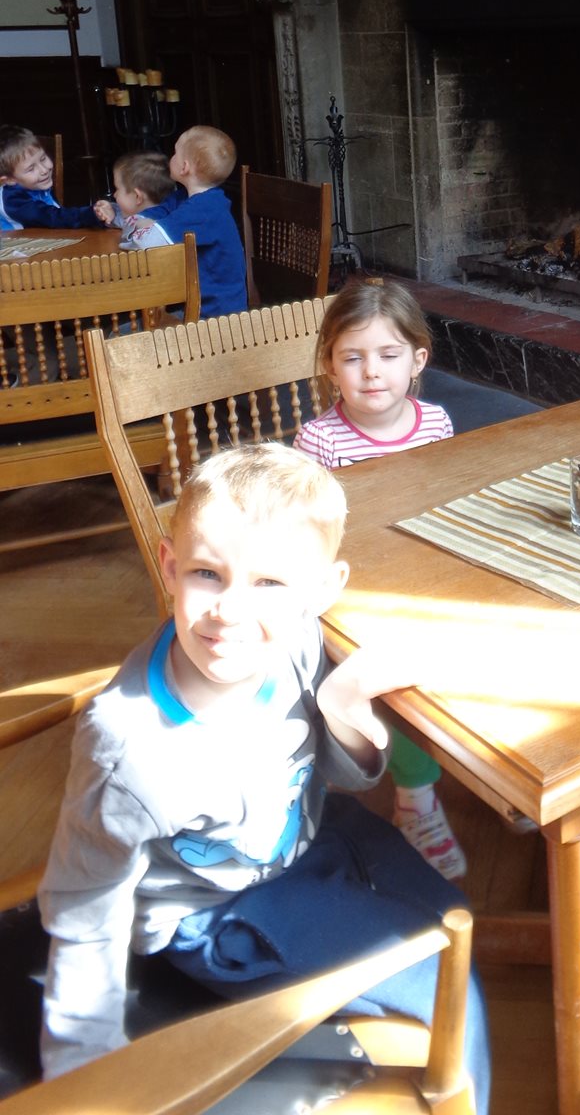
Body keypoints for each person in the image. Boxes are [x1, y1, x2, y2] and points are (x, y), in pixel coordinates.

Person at [37, 442, 489, 1110]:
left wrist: (341, 706)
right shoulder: (130, 748)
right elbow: (85, 907)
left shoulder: (298, 640)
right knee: (449, 980)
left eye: (269, 584)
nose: (230, 611)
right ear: (170, 566)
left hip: (312, 841)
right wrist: (84, 1080)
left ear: (322, 591)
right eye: (207, 574)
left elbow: (343, 776)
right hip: (214, 912)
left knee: (456, 918)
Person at [294, 279, 466, 880]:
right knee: (388, 678)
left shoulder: (435, 421)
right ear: (330, 365)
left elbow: (445, 504)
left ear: (417, 361)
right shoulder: (319, 440)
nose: (371, 372)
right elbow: (311, 534)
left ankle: (496, 770)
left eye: (388, 355)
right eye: (353, 357)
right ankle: (416, 797)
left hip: (427, 575)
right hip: (357, 592)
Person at [142, 125, 247, 316]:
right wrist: (139, 221)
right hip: (205, 308)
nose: (171, 157)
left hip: (216, 318)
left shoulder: (202, 209)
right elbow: (156, 212)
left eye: (175, 153)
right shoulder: (192, 198)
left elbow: (146, 243)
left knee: (126, 331)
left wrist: (140, 226)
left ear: (184, 167)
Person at [0, 125, 109, 230]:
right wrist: (92, 214)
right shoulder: (12, 200)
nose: (44, 170)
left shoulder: (35, 185)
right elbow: (51, 217)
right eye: (31, 169)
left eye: (43, 158)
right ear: (9, 180)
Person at [108, 150, 175, 249]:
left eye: (117, 189)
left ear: (137, 196)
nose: (114, 195)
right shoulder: (172, 215)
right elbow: (122, 219)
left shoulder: (145, 227)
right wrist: (112, 215)